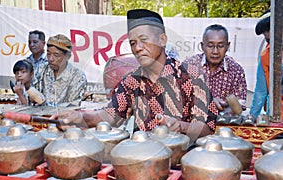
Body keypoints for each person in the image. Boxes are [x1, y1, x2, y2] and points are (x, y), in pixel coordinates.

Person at [51, 9, 218, 141]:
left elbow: (207, 128)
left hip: (183, 164)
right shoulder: (131, 81)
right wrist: (79, 116)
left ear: (162, 39)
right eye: (132, 42)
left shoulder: (193, 77)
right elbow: (110, 115)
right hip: (140, 161)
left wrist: (181, 126)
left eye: (144, 40)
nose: (137, 48)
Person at [185, 24, 247, 112]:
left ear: (227, 46)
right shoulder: (189, 66)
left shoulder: (236, 70)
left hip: (223, 123)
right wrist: (208, 101)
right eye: (210, 46)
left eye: (220, 46)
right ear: (202, 46)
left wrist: (225, 108)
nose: (215, 51)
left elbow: (240, 106)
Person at [39, 34, 87, 106]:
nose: (51, 59)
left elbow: (72, 106)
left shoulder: (77, 76)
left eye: (56, 55)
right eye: (48, 54)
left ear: (67, 56)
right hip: (39, 115)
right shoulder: (41, 69)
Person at [249, 10, 273, 118]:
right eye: (265, 33)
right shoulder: (265, 56)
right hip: (276, 116)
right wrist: (251, 117)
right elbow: (260, 92)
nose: (266, 35)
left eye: (268, 30)